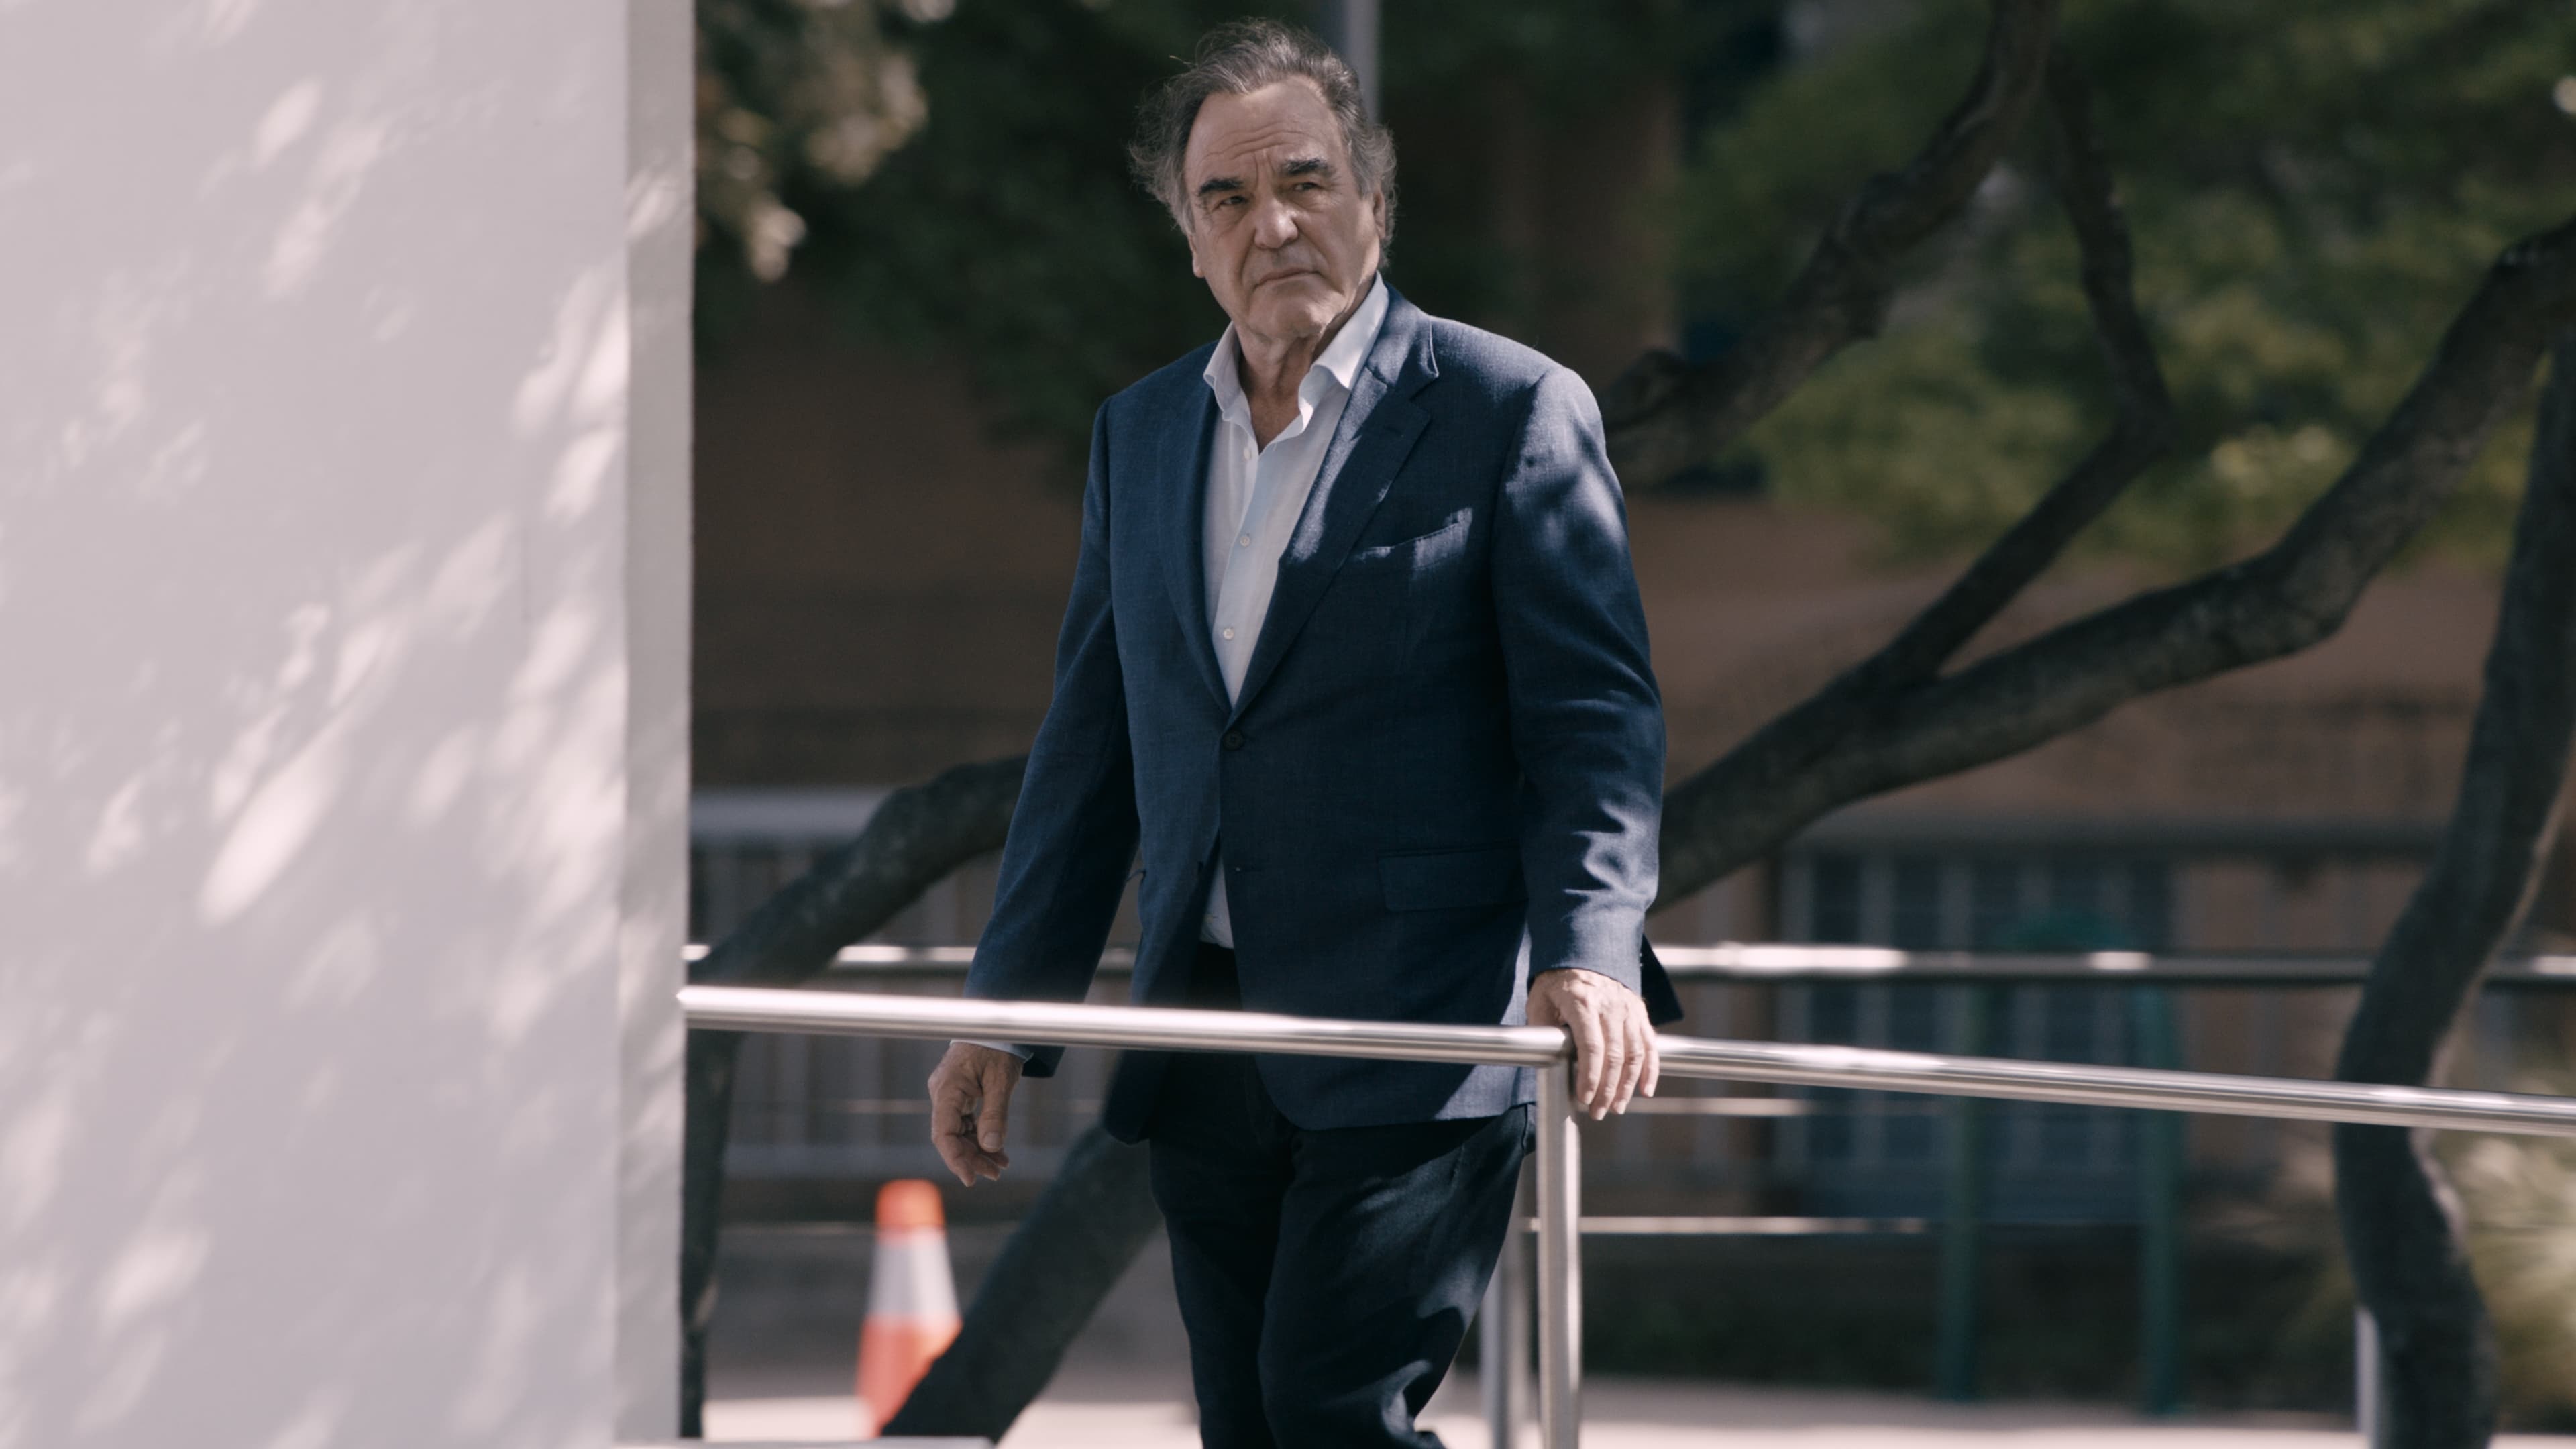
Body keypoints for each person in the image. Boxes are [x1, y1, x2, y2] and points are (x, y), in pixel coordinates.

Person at [924, 19, 1668, 1445]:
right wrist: (1007, 1007)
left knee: (1331, 1416)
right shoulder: (1140, 434)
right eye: (1228, 198)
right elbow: (1092, 745)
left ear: (1375, 199)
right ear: (1191, 243)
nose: (1272, 224)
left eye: (1306, 182)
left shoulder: (1511, 410)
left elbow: (1594, 719)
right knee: (1248, 1426)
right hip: (1207, 1029)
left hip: (1419, 1021)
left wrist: (1589, 947)